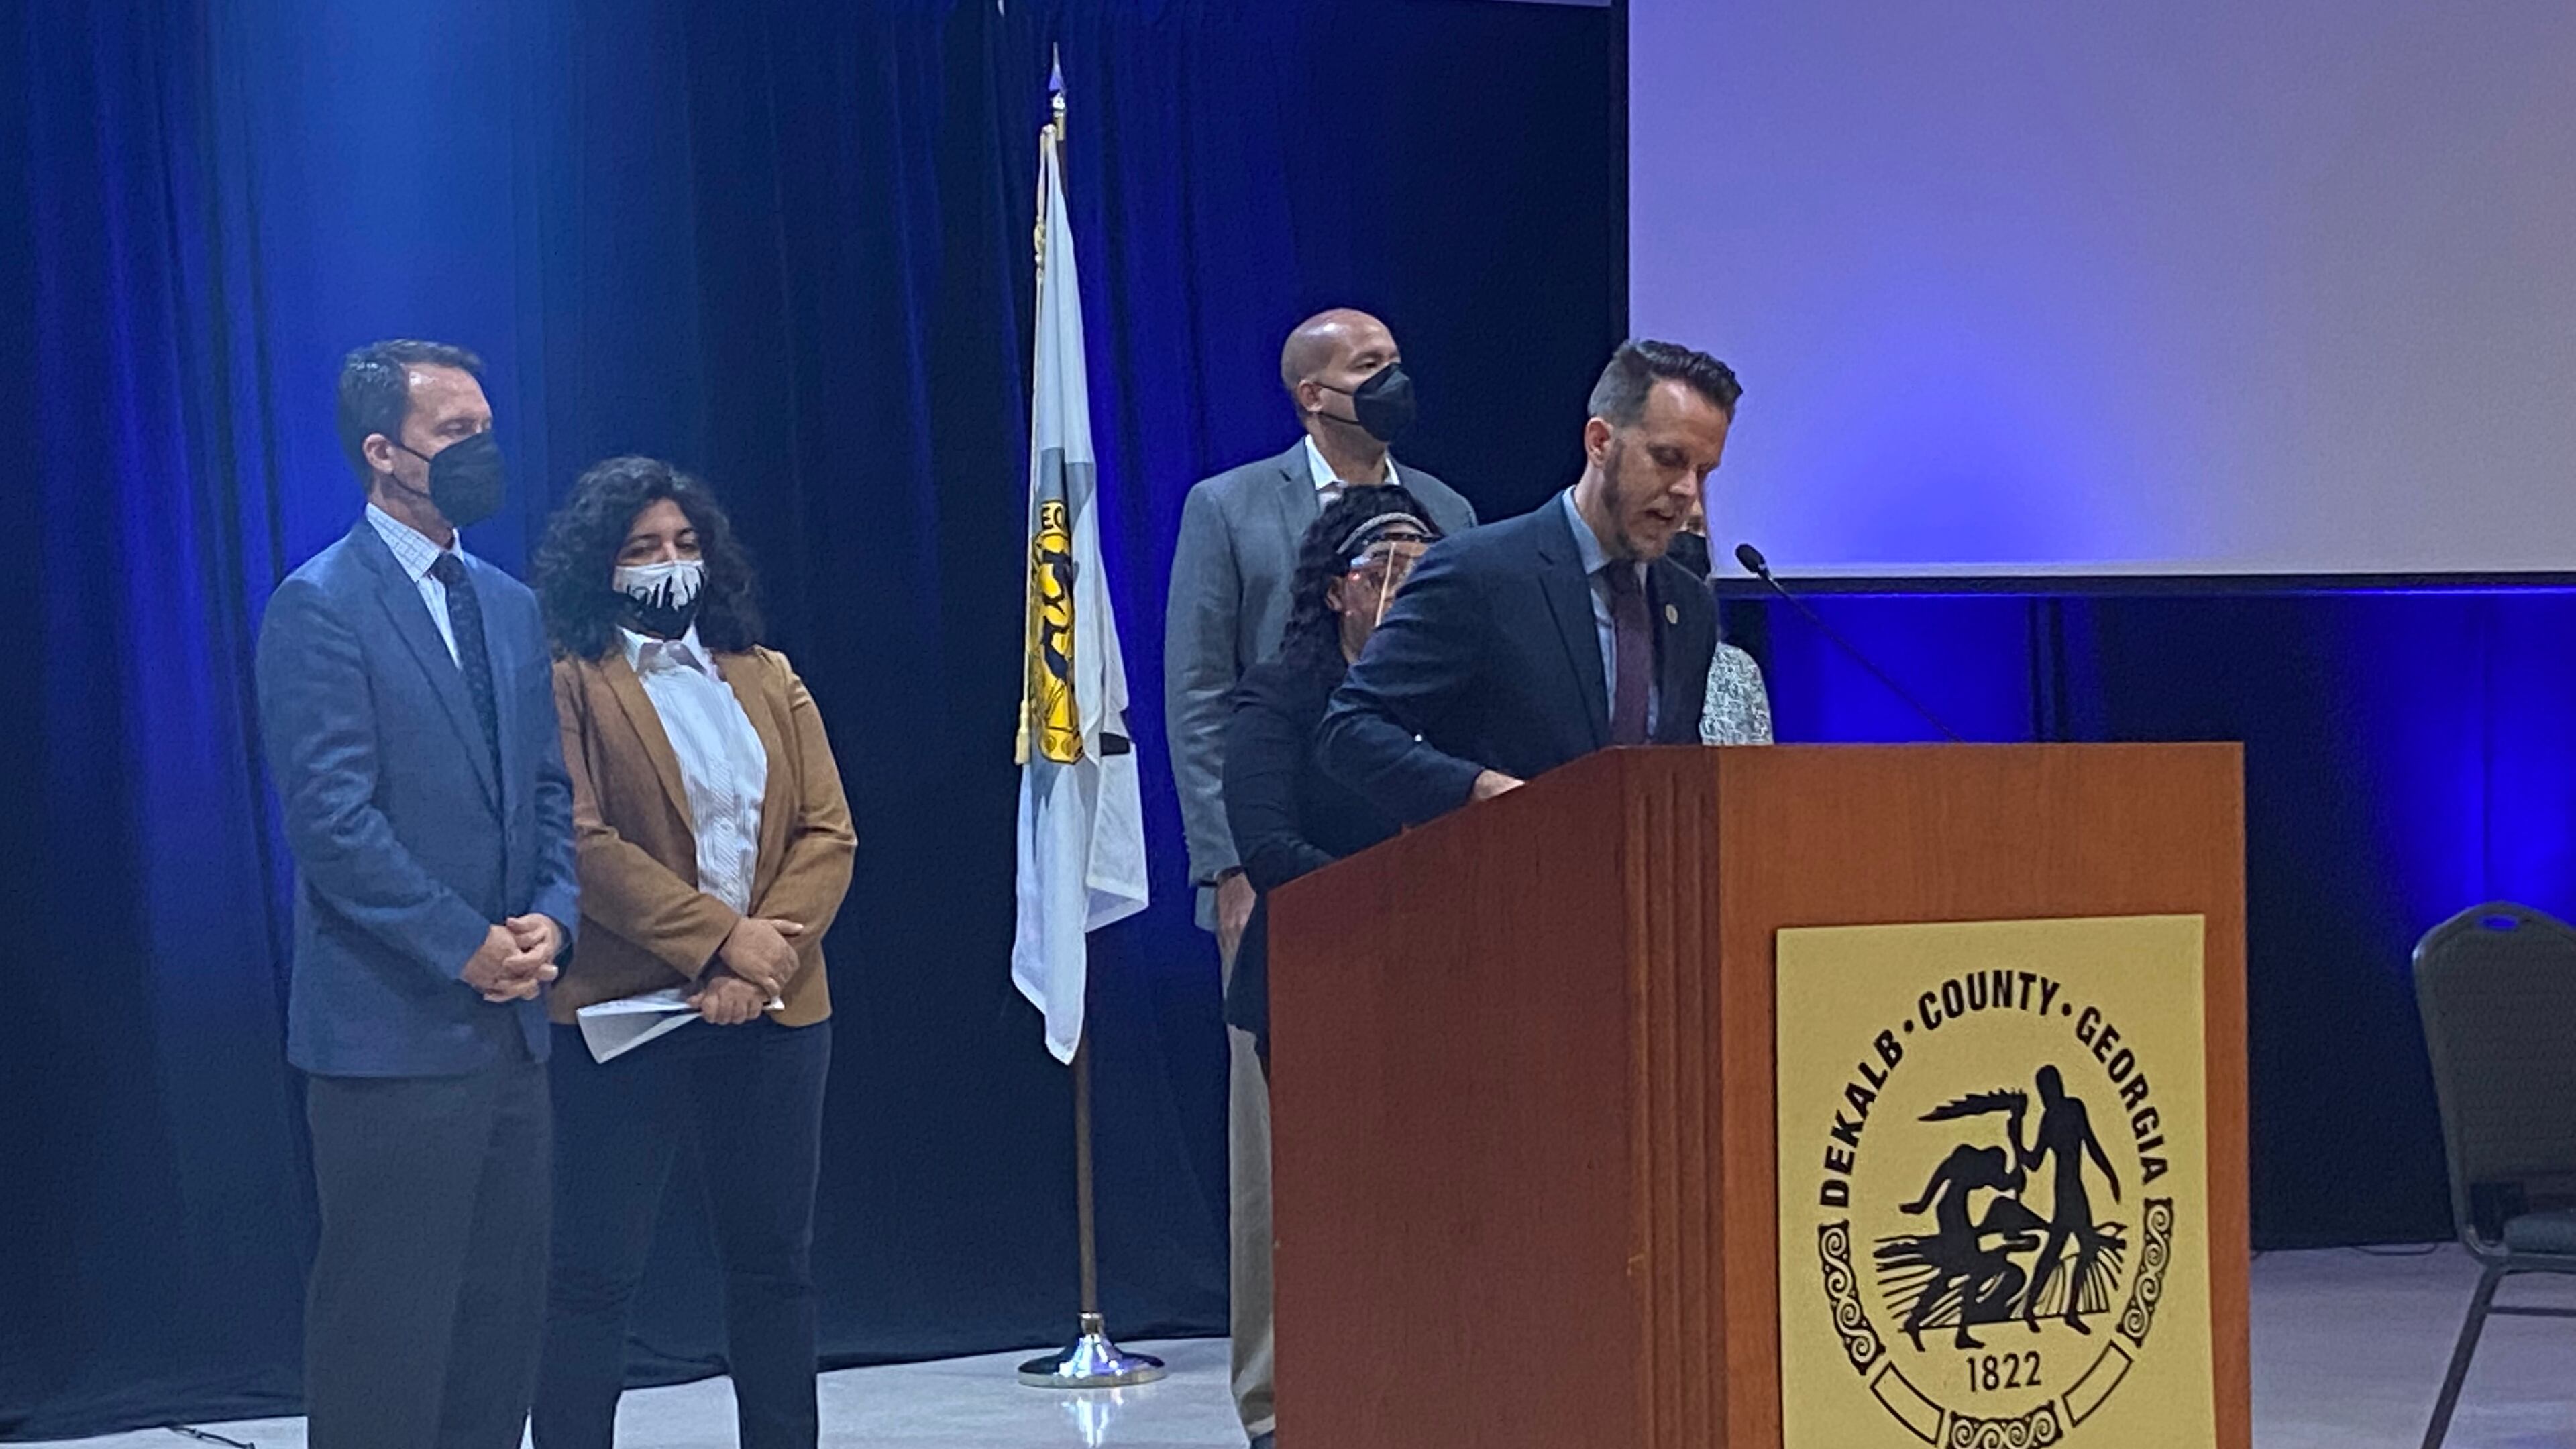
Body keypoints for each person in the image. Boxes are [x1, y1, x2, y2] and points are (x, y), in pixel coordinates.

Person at [254, 339, 577, 1449]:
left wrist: (554, 917)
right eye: (456, 433)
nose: (482, 451)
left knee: (498, 1342)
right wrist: (464, 946)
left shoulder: (511, 604)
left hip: (514, 1042)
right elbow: (332, 825)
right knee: (387, 1345)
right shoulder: (321, 606)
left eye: (487, 427)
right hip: (389, 1044)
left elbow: (546, 790)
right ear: (384, 453)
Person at [1164, 309, 1477, 1449]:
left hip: (1429, 887)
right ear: (1310, 391)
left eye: (1398, 356)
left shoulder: (1450, 513)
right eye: (1367, 365)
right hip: (1277, 865)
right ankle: (1274, 1399)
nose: (1393, 376)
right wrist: (1230, 864)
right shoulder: (1231, 507)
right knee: (1277, 1154)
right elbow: (1200, 695)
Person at [529, 457, 855, 1449]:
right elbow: (583, 845)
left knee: (774, 1266)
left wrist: (759, 965)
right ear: (602, 567)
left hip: (777, 1012)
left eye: (684, 544)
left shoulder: (765, 672)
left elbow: (828, 832)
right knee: (592, 1276)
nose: (670, 564)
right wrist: (718, 942)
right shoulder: (571, 678)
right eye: (642, 549)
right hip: (628, 1013)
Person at [1318, 340, 1741, 822]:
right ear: (1600, 443)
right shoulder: (1480, 573)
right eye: (1668, 458)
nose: (1688, 490)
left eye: (1703, 471)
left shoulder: (1687, 603)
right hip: (1505, 879)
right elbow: (1350, 730)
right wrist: (1476, 789)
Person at [1222, 486, 1444, 1070]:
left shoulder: (1455, 697)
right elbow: (1269, 849)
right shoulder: (1280, 695)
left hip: (1442, 972)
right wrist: (1389, 902)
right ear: (1335, 593)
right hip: (1318, 969)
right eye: (1382, 578)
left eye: (1423, 578)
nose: (1403, 597)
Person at [2015, 1064, 2123, 1333]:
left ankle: (2056, 1310)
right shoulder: (2054, 1116)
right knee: (2068, 1249)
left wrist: (2110, 1174)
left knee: (2066, 1249)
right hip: (2067, 1191)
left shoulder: (2070, 1110)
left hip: (2072, 1190)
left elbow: (2090, 1143)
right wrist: (2015, 1137)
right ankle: (2050, 1310)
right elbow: (2036, 1161)